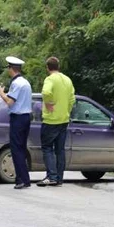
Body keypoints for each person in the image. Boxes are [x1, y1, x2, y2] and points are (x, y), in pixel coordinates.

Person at [37, 56, 76, 187]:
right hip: (64, 119)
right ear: (58, 66)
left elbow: (46, 92)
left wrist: (48, 103)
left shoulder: (50, 79)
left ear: (47, 68)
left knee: (47, 148)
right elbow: (72, 99)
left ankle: (51, 176)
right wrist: (66, 110)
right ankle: (59, 178)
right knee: (60, 150)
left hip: (51, 120)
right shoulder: (67, 80)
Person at [0, 56, 32, 189]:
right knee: (21, 148)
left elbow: (10, 102)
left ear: (11, 69)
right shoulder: (26, 82)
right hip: (26, 117)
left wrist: (1, 93)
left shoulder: (16, 83)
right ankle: (24, 178)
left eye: (8, 68)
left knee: (16, 149)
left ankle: (22, 180)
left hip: (18, 118)